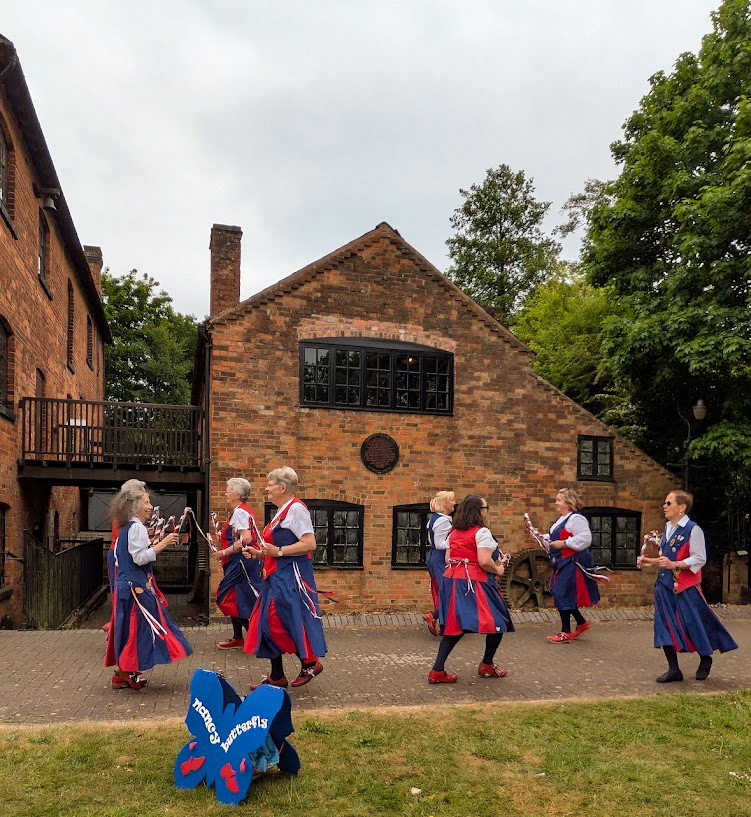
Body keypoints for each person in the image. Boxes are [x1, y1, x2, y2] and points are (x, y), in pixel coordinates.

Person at [638, 490, 738, 682]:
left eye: (669, 503)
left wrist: (675, 565)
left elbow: (700, 558)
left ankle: (705, 657)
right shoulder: (667, 528)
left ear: (681, 507)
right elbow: (666, 558)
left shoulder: (693, 529)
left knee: (693, 623)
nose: (664, 506)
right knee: (664, 625)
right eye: (664, 502)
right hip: (663, 585)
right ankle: (674, 669)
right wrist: (649, 561)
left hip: (685, 586)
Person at [243, 467, 327, 689]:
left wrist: (277, 551)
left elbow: (310, 544)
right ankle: (277, 675)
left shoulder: (297, 509)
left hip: (290, 576)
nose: (266, 488)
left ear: (283, 487)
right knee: (264, 623)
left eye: (270, 484)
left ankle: (310, 663)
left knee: (279, 621)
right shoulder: (281, 511)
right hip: (274, 576)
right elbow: (273, 548)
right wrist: (260, 553)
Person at [105, 481, 192, 689]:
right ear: (135, 506)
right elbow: (139, 558)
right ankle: (125, 672)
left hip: (128, 587)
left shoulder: (128, 528)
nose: (150, 506)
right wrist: (162, 544)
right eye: (146, 502)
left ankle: (124, 672)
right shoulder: (137, 528)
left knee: (132, 630)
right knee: (139, 630)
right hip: (136, 589)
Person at [429, 494, 513, 683]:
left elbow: (447, 559)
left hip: (451, 581)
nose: (487, 511)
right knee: (497, 620)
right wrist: (498, 568)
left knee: (454, 625)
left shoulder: (454, 533)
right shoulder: (481, 532)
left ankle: (437, 670)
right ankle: (487, 665)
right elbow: (484, 561)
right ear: (478, 511)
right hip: (474, 582)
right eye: (485, 508)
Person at [213, 477, 263, 649]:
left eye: (229, 490)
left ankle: (255, 638)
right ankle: (238, 637)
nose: (226, 493)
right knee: (236, 597)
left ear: (238, 494)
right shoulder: (241, 511)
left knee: (224, 595)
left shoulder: (240, 512)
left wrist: (224, 552)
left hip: (241, 561)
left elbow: (246, 538)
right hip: (239, 561)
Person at [545, 488, 599, 644]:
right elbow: (554, 537)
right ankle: (581, 623)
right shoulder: (562, 519)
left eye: (559, 500)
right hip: (561, 562)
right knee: (561, 593)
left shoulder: (576, 519)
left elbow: (585, 538)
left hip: (571, 561)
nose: (556, 503)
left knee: (561, 593)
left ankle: (566, 632)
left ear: (569, 503)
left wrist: (564, 543)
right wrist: (542, 537)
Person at [423, 490, 455, 637]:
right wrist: (454, 543)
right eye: (452, 500)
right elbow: (439, 543)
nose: (454, 503)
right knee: (446, 590)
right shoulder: (443, 521)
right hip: (440, 557)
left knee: (442, 590)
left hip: (434, 556)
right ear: (445, 503)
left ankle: (442, 620)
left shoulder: (435, 518)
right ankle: (438, 619)